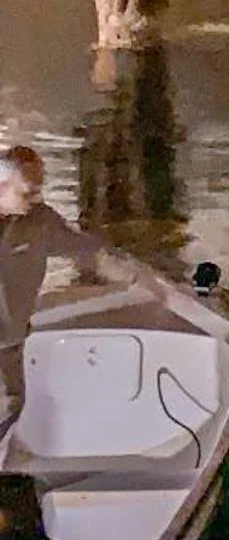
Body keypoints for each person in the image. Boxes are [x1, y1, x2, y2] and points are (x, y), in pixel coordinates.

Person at [0, 146, 164, 450]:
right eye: (28, 192)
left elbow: (89, 251)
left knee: (11, 410)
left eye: (39, 190)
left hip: (9, 348)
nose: (37, 198)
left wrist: (141, 278)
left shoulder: (40, 221)